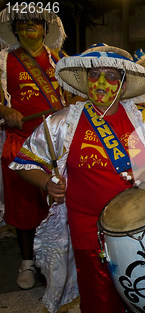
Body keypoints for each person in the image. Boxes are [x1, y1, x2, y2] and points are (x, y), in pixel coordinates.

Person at [10, 50, 145, 313]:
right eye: (94, 75)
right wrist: (47, 183)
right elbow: (23, 163)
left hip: (132, 228)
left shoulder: (141, 121)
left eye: (111, 76)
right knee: (97, 288)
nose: (101, 82)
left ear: (124, 85)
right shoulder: (63, 122)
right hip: (85, 222)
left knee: (132, 281)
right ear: (86, 81)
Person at [0, 6, 67, 290]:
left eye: (35, 23)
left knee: (57, 204)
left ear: (44, 28)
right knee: (25, 206)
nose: (29, 27)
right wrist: (4, 110)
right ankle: (27, 262)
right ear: (15, 29)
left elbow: (72, 96)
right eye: (23, 23)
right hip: (22, 141)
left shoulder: (59, 59)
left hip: (57, 143)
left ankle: (54, 260)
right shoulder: (4, 60)